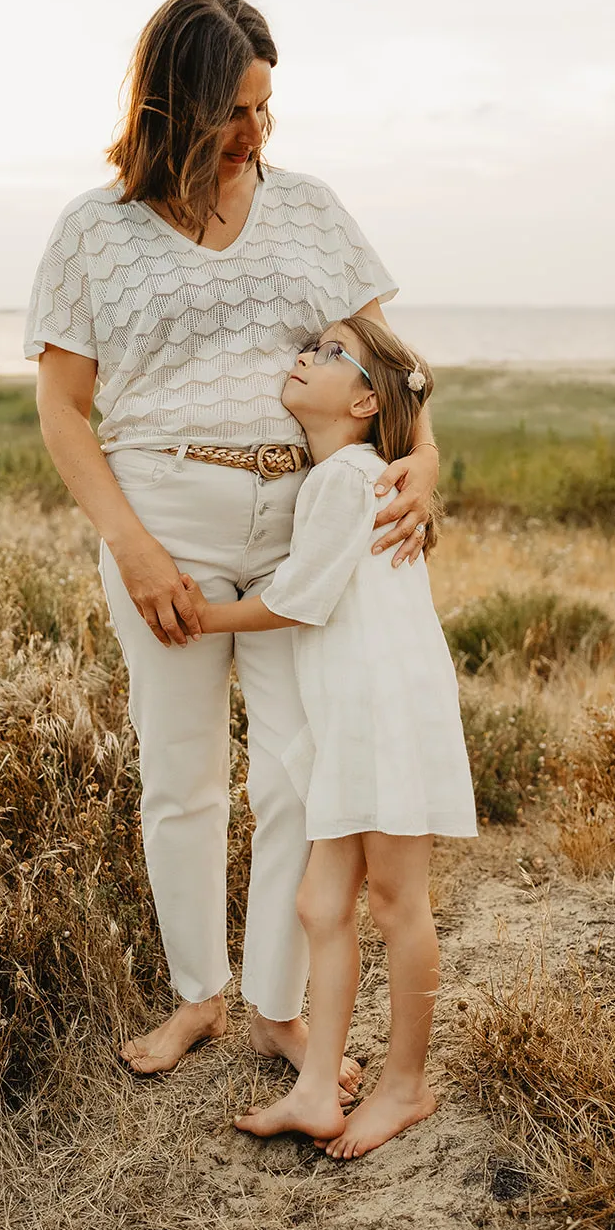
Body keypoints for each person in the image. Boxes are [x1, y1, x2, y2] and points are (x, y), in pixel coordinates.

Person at [24, 0, 440, 1088]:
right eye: (232, 111)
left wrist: (425, 458)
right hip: (162, 514)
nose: (254, 131)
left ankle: (276, 1008)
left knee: (302, 770)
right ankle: (196, 995)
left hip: (303, 522)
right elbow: (62, 408)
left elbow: (389, 364)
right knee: (181, 771)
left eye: (264, 106)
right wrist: (132, 545)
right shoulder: (92, 230)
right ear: (172, 103)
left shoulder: (309, 208)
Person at [177, 316, 478, 1159]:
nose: (306, 356)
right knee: (319, 903)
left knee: (395, 902)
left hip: (384, 711)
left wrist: (199, 617)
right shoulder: (339, 476)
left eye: (332, 352)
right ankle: (315, 1092)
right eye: (309, 345)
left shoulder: (348, 477)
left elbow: (296, 600)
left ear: (364, 402)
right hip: (347, 713)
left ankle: (405, 1086)